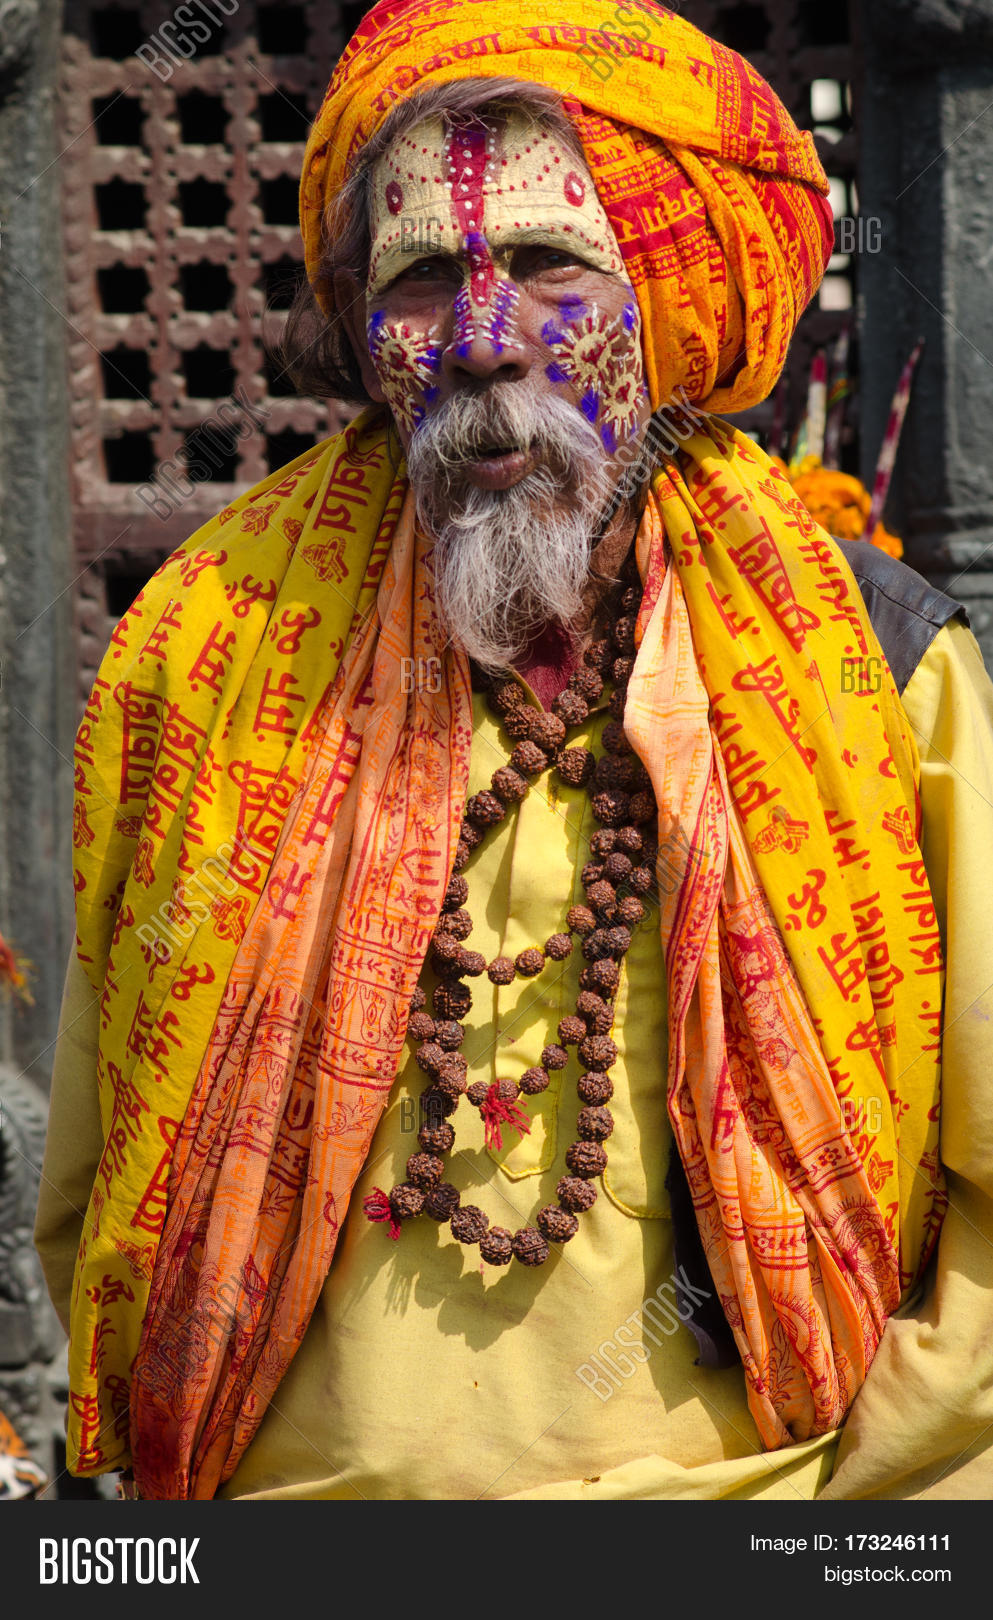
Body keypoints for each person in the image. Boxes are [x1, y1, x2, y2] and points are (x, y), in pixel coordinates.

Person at [35, 0, 993, 1501]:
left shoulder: (873, 664)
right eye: (422, 279)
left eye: (551, 267)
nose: (483, 337)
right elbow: (101, 1168)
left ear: (674, 302)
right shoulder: (206, 652)